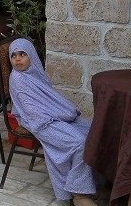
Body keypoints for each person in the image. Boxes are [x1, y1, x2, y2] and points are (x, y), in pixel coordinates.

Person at [8, 38, 98, 206]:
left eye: (22, 54)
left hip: (51, 116)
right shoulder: (18, 79)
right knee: (79, 142)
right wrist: (61, 115)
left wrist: (65, 112)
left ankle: (95, 181)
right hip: (40, 122)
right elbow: (33, 111)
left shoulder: (36, 73)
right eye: (13, 56)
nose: (17, 59)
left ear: (32, 56)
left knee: (93, 130)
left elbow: (50, 99)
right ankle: (79, 194)